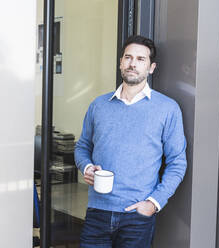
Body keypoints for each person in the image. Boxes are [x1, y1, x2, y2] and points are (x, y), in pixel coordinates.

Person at [74, 35, 187, 248]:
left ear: (151, 67)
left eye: (140, 59)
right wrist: (87, 167)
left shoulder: (167, 109)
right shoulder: (99, 105)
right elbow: (83, 146)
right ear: (120, 63)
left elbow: (177, 163)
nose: (132, 63)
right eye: (128, 57)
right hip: (97, 212)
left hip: (137, 217)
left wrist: (153, 204)